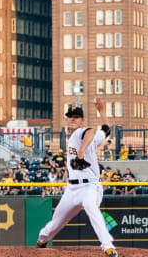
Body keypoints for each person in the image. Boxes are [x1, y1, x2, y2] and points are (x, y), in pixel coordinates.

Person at [36, 105, 118, 257]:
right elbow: (106, 130)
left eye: (76, 117)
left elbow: (91, 131)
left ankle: (108, 247)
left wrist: (81, 151)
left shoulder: (81, 132)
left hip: (90, 186)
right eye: (70, 117)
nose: (73, 119)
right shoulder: (77, 137)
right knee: (56, 223)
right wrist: (102, 111)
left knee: (90, 206)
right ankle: (43, 239)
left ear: (82, 121)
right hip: (72, 189)